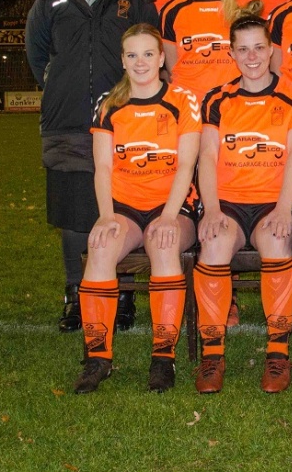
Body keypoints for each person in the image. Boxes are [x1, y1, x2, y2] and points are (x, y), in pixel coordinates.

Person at [26, 0, 158, 335]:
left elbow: (150, 46)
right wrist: (61, 85)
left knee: (123, 208)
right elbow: (37, 53)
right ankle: (75, 295)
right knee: (73, 213)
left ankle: (122, 295)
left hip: (123, 120)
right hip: (66, 119)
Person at [73, 24, 202, 394]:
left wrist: (168, 216)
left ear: (161, 58)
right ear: (123, 60)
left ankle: (163, 358)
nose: (140, 62)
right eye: (132, 55)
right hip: (125, 206)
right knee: (100, 246)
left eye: (148, 54)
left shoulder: (183, 100)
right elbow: (103, 168)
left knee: (163, 243)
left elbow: (186, 165)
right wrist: (106, 216)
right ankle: (98, 358)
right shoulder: (109, 104)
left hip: (173, 205)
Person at [193, 15, 292, 394]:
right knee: (213, 243)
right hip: (227, 203)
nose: (252, 56)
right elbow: (207, 156)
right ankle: (212, 355)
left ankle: (277, 354)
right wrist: (211, 209)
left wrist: (284, 208)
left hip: (274, 202)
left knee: (276, 240)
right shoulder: (216, 98)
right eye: (242, 49)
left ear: (272, 49)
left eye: (259, 47)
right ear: (231, 53)